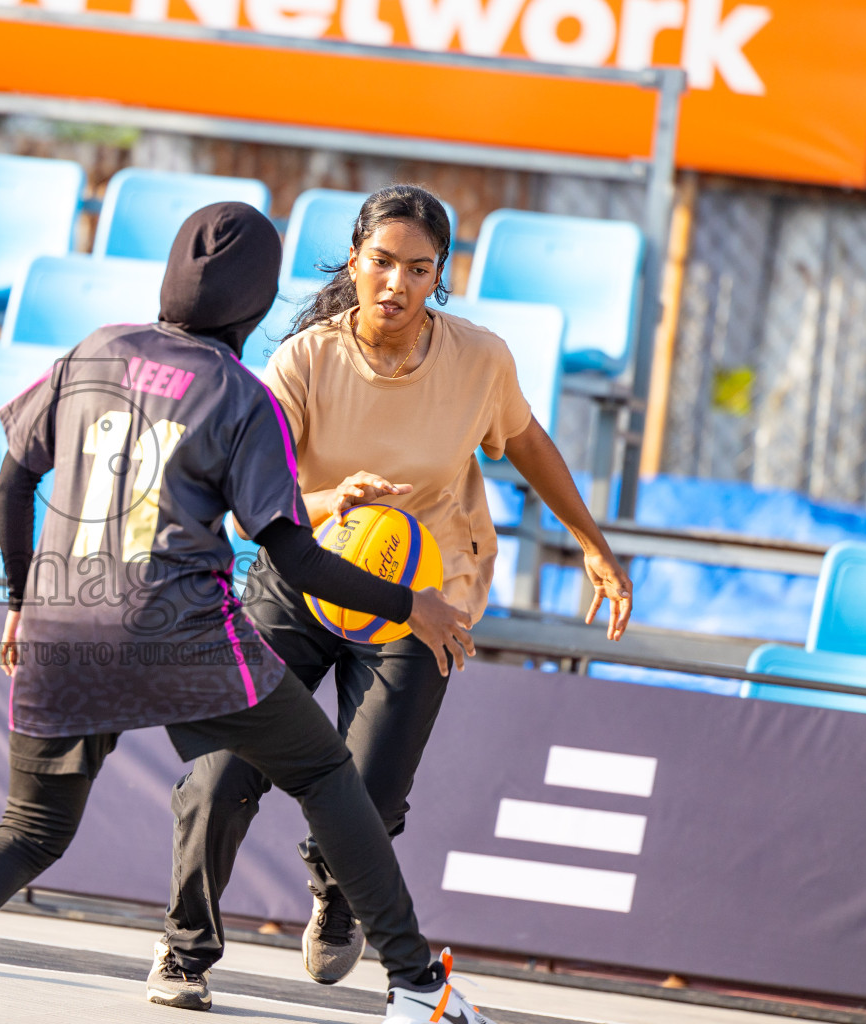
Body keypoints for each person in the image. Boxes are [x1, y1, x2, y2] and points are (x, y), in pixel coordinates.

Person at [0, 202, 498, 1024]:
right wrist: (413, 605)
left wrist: (21, 602)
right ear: (258, 302)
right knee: (326, 775)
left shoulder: (95, 350)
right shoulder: (241, 397)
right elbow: (294, 557)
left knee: (29, 828)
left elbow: (15, 481)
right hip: (183, 638)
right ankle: (416, 989)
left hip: (63, 625)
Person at [148, 185, 633, 1011]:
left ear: (439, 277)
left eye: (419, 268)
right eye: (382, 262)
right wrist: (334, 502)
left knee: (366, 797)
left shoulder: (480, 359)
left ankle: (336, 892)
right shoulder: (305, 359)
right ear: (356, 260)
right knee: (221, 772)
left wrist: (593, 542)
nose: (397, 284)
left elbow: (527, 442)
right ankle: (185, 948)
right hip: (301, 578)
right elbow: (247, 484)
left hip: (421, 597)